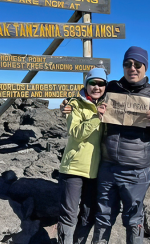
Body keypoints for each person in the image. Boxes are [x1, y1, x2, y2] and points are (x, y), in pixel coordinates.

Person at [61, 47, 150, 244]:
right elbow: (89, 96)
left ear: (145, 67)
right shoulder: (112, 88)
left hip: (136, 171)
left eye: (137, 64)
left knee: (133, 221)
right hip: (107, 167)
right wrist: (69, 103)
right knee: (103, 218)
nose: (132, 68)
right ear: (123, 66)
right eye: (127, 64)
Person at [58, 67, 108, 244]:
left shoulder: (108, 106)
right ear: (86, 84)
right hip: (74, 168)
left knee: (88, 216)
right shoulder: (75, 105)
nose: (97, 87)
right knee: (69, 216)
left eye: (101, 84)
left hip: (95, 172)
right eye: (93, 83)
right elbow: (77, 133)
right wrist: (96, 117)